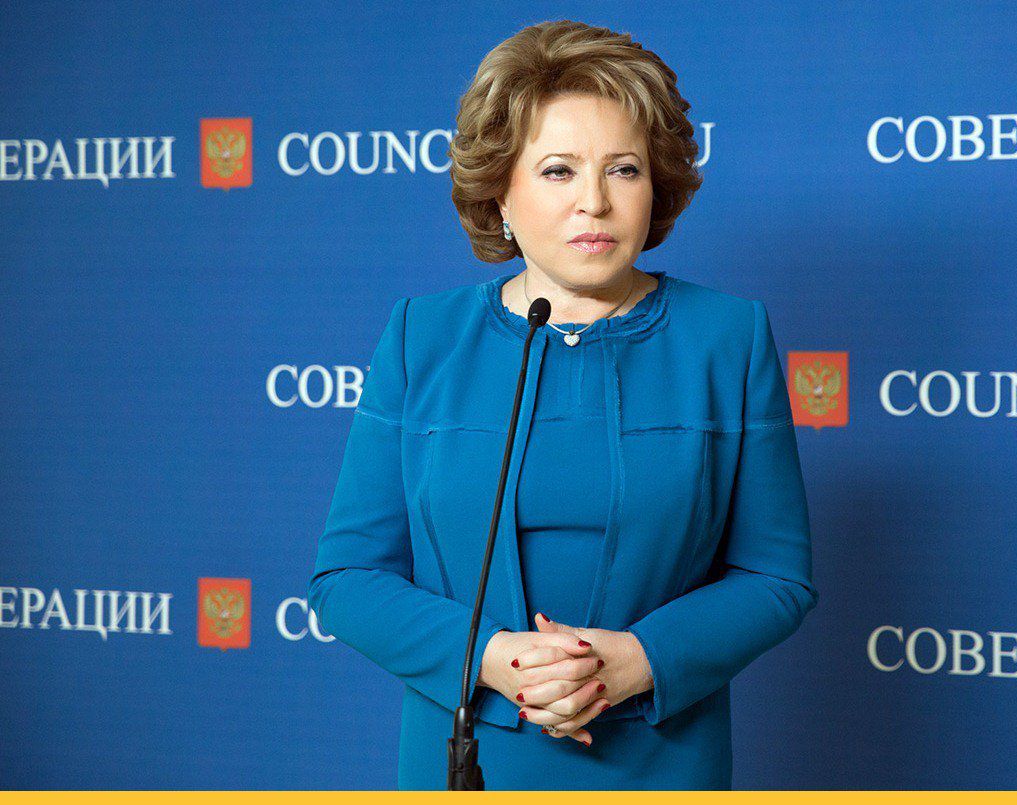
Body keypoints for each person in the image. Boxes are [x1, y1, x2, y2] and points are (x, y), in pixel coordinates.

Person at [306, 19, 819, 790]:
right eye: (558, 171)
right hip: (472, 757)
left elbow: (776, 576)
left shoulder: (728, 338)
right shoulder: (422, 338)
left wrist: (639, 660)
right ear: (501, 192)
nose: (595, 202)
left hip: (662, 761)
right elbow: (346, 577)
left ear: (656, 186)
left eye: (623, 170)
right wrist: (494, 659)